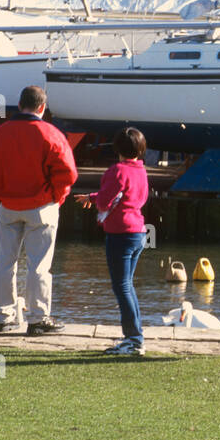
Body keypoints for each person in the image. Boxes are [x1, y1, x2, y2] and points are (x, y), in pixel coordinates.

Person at [0, 85, 78, 334]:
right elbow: (68, 173)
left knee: (4, 263)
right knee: (39, 265)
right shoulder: (51, 134)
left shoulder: (0, 133)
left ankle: (3, 317)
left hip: (8, 206)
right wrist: (57, 197)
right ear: (42, 107)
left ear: (19, 104)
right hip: (41, 207)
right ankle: (37, 319)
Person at [77, 127, 150, 356]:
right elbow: (128, 197)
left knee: (122, 287)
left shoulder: (116, 170)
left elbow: (106, 202)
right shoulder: (141, 170)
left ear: (116, 148)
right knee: (127, 285)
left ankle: (134, 339)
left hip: (120, 233)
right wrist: (92, 197)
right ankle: (135, 336)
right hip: (138, 232)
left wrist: (96, 199)